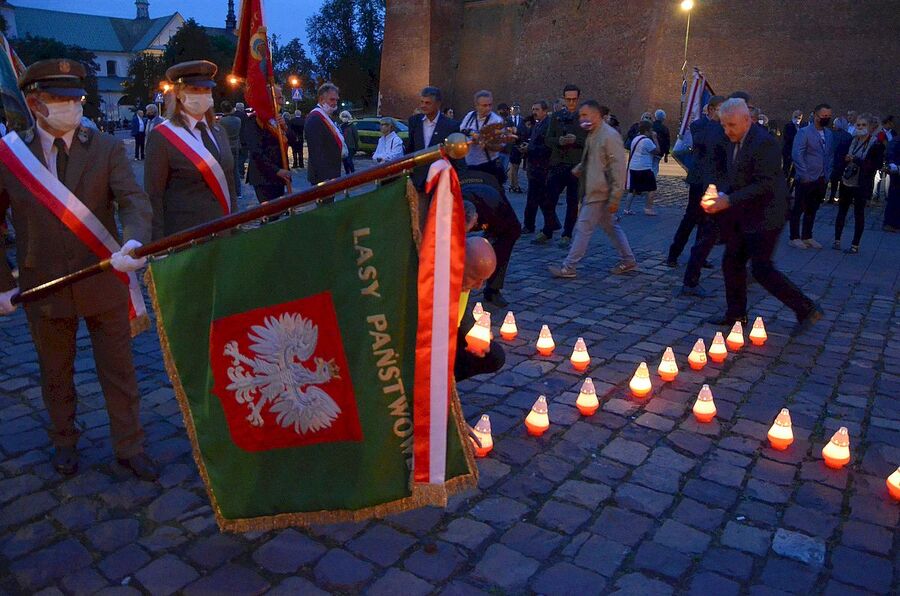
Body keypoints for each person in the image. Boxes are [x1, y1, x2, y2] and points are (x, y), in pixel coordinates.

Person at [0, 59, 158, 480]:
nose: (72, 106)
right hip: (45, 285)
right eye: (60, 99)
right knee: (55, 373)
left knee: (120, 371)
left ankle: (130, 445)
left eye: (76, 98)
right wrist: (2, 283)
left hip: (104, 276)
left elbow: (134, 201)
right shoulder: (10, 155)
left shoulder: (105, 147)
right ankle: (64, 441)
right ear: (35, 103)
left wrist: (135, 240)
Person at [701, 98, 822, 332]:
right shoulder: (732, 141)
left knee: (761, 268)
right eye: (724, 125)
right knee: (731, 262)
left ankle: (806, 309)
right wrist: (717, 192)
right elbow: (733, 174)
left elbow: (764, 184)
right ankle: (736, 316)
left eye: (732, 125)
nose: (727, 131)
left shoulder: (764, 143)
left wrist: (728, 200)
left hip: (768, 214)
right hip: (744, 213)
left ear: (747, 120)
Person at [144, 60, 237, 239]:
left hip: (223, 232)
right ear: (178, 93)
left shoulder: (219, 131)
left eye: (206, 90)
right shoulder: (163, 136)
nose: (202, 95)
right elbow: (153, 196)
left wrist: (234, 223)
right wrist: (158, 246)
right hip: (186, 238)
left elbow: (229, 182)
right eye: (195, 89)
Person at [548, 100, 636, 278]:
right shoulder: (594, 133)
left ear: (596, 115)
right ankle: (628, 260)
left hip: (600, 191)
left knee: (583, 227)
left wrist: (615, 198)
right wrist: (581, 167)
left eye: (584, 115)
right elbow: (595, 158)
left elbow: (618, 168)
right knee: (611, 227)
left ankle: (569, 266)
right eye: (581, 115)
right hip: (597, 189)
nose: (581, 118)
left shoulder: (609, 136)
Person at [667, 94, 726, 268]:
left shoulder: (723, 127)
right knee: (691, 218)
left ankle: (699, 256)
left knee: (707, 221)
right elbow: (702, 142)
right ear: (711, 109)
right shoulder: (699, 125)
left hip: (714, 181)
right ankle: (674, 253)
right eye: (720, 109)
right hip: (699, 179)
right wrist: (716, 124)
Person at [458, 168, 521, 308]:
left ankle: (493, 289)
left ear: (476, 219)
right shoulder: (447, 200)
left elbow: (514, 231)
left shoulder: (495, 205)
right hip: (464, 181)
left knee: (506, 237)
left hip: (489, 187)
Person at [536, 84, 588, 246]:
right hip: (558, 163)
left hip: (575, 165)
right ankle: (548, 229)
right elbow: (547, 139)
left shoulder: (585, 118)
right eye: (568, 99)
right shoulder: (556, 117)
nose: (571, 102)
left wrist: (576, 140)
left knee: (572, 202)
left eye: (574, 99)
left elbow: (591, 142)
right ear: (564, 98)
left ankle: (567, 233)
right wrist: (559, 140)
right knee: (547, 200)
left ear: (578, 99)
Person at [834, 114, 886, 253]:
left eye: (864, 125)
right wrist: (845, 160)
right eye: (858, 125)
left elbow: (875, 165)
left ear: (869, 127)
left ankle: (855, 245)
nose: (860, 127)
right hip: (847, 180)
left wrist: (856, 160)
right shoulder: (851, 141)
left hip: (861, 184)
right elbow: (839, 157)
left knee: (859, 213)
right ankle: (837, 240)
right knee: (842, 211)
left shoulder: (876, 145)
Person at [455, 236, 504, 381]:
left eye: (483, 280)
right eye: (475, 277)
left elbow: (462, 313)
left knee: (494, 356)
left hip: (450, 336)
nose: (478, 286)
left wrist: (473, 335)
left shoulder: (463, 282)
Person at [788, 103, 835, 249]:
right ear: (815, 116)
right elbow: (797, 153)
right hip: (806, 177)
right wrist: (804, 174)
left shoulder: (829, 133)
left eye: (828, 116)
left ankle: (807, 236)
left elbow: (830, 155)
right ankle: (794, 236)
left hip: (821, 177)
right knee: (799, 207)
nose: (826, 118)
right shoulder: (804, 132)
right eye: (823, 116)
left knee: (813, 208)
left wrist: (828, 174)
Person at [244, 86, 291, 204]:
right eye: (278, 98)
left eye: (281, 98)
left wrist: (285, 127)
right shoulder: (256, 121)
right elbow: (256, 151)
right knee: (271, 215)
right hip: (264, 176)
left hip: (280, 175)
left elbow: (292, 140)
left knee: (279, 212)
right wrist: (276, 170)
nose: (281, 101)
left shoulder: (278, 118)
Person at [406, 86, 460, 190]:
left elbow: (456, 157)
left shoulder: (451, 125)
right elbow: (411, 148)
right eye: (422, 102)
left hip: (441, 180)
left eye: (427, 103)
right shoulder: (414, 121)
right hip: (418, 179)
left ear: (438, 104)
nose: (423, 106)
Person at [459, 90, 506, 183]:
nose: (488, 108)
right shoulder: (470, 116)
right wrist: (472, 137)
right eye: (484, 105)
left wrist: (487, 143)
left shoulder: (497, 120)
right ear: (476, 106)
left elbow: (501, 143)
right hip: (469, 164)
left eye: (490, 105)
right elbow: (461, 131)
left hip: (488, 164)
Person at [305, 82, 346, 187]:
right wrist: (325, 178)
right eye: (332, 99)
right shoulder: (315, 118)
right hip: (323, 177)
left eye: (336, 99)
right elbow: (316, 151)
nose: (335, 103)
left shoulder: (325, 116)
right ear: (321, 100)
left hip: (331, 173)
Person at [522, 100, 552, 235]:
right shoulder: (537, 124)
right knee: (540, 198)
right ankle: (553, 223)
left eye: (537, 109)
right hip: (534, 166)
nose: (534, 112)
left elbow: (547, 147)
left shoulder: (547, 125)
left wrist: (530, 148)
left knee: (534, 198)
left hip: (542, 167)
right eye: (533, 109)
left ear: (545, 111)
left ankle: (529, 225)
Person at [622, 120, 660, 215]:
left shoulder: (635, 139)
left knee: (633, 189)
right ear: (647, 131)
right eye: (650, 130)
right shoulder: (647, 141)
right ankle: (648, 208)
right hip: (644, 167)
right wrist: (655, 138)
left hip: (634, 167)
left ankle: (626, 209)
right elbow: (657, 151)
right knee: (651, 188)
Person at [218, 100, 243, 201]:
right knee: (235, 169)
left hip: (226, 146)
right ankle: (238, 192)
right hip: (236, 145)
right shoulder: (237, 120)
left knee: (225, 170)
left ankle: (227, 191)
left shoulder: (221, 122)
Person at [828, 117, 853, 203]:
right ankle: (841, 197)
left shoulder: (832, 134)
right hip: (844, 161)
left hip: (834, 160)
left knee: (834, 180)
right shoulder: (849, 136)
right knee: (842, 180)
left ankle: (832, 196)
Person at [506, 102, 528, 193]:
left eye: (517, 108)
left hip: (519, 146)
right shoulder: (507, 120)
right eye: (513, 108)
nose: (515, 110)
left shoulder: (523, 120)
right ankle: (514, 185)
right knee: (513, 166)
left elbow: (525, 132)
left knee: (516, 166)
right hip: (510, 146)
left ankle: (514, 185)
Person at [883, 134, 900, 231]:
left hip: (896, 172)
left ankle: (894, 222)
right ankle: (889, 223)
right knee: (894, 198)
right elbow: (890, 157)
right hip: (896, 174)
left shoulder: (895, 140)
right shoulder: (896, 141)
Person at [234, 101, 249, 198]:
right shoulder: (245, 116)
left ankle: (239, 171)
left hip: (235, 140)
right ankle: (241, 171)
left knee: (238, 156)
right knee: (244, 155)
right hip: (244, 139)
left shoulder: (233, 116)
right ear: (242, 108)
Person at [782, 109, 802, 175]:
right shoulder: (788, 126)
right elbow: (787, 138)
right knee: (786, 169)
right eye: (796, 117)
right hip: (789, 151)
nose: (797, 119)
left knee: (794, 172)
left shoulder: (801, 128)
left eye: (799, 118)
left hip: (797, 153)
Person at [651, 109, 671, 177]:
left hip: (650, 149)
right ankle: (652, 178)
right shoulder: (665, 128)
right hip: (660, 151)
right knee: (655, 165)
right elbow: (667, 142)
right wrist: (666, 155)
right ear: (663, 118)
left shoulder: (651, 126)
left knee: (649, 164)